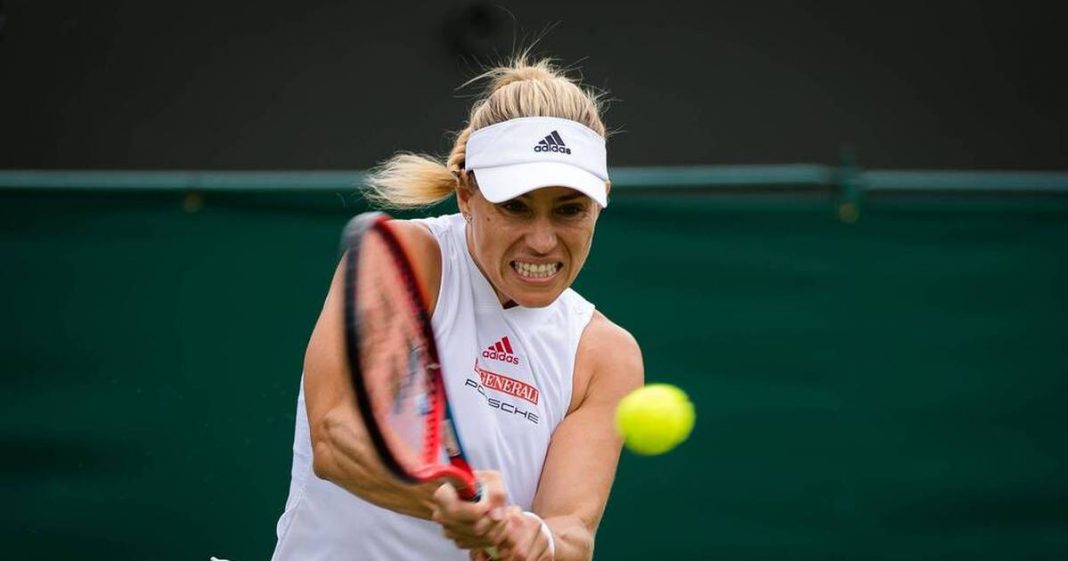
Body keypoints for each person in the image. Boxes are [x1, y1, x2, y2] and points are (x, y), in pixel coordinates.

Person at [272, 55, 644, 561]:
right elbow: (335, 438)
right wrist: (444, 497)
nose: (542, 240)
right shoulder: (406, 261)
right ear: (467, 194)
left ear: (601, 200)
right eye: (515, 206)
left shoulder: (606, 355)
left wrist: (539, 542)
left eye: (569, 210)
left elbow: (572, 530)